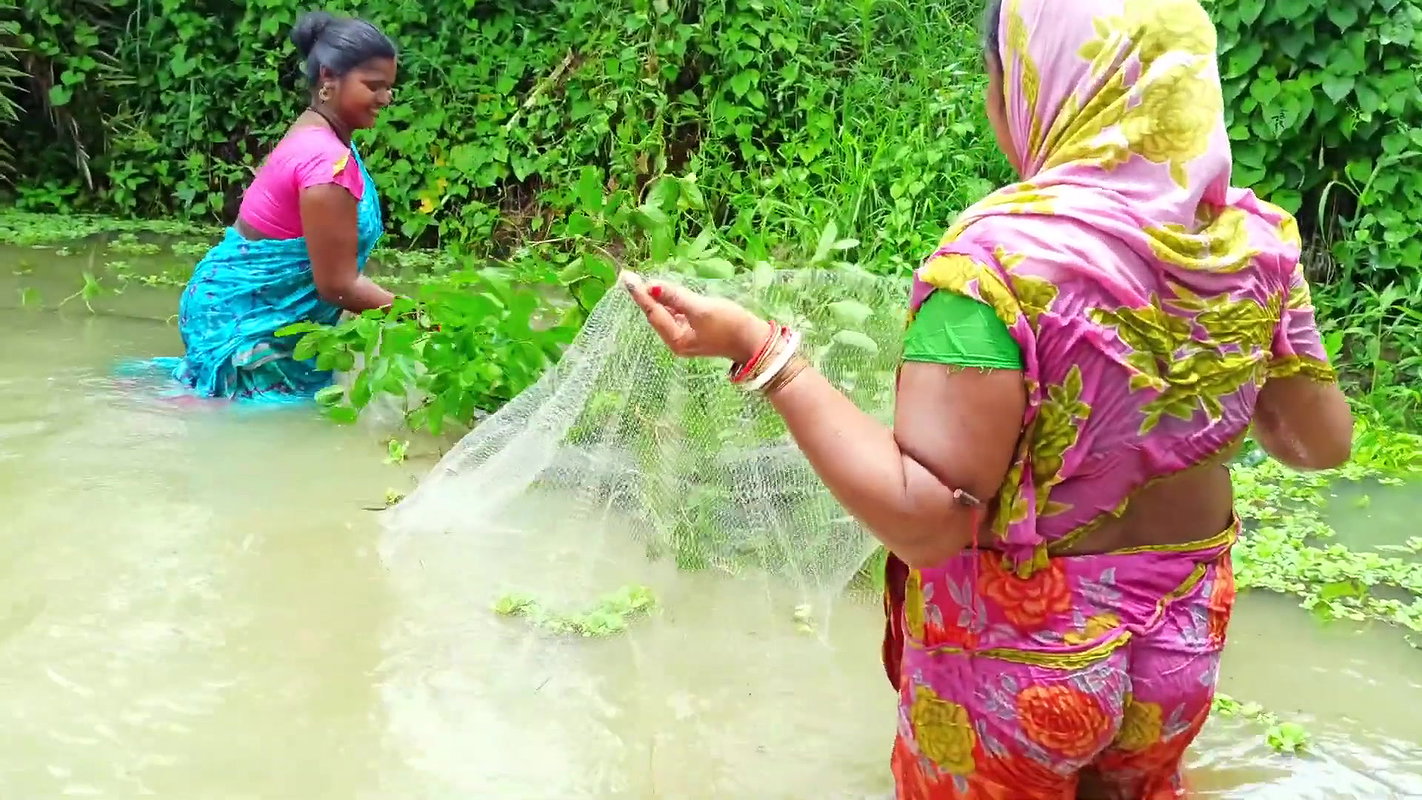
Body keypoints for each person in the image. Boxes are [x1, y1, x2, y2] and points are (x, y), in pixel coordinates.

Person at [622, 0, 1354, 797]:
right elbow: (1318, 444)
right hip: (1181, 651)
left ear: (1051, 86)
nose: (989, 102)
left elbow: (928, 520)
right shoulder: (1256, 244)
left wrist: (765, 355)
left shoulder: (999, 263)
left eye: (996, 78)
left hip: (1022, 675)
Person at [169, 11, 397, 400]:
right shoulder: (327, 165)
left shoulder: (319, 131)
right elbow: (338, 286)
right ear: (328, 77)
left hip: (228, 304)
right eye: (373, 85)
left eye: (389, 87)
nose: (386, 98)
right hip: (246, 322)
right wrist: (426, 320)